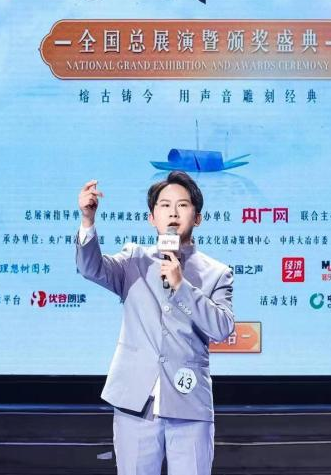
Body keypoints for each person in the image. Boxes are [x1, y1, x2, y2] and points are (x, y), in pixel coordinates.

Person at [76, 171, 235, 475]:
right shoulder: (134, 259)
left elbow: (222, 327)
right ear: (152, 218)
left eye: (182, 205)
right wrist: (87, 220)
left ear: (198, 217)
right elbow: (90, 268)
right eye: (164, 205)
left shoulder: (217, 272)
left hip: (189, 403)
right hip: (135, 402)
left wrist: (181, 286)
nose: (173, 212)